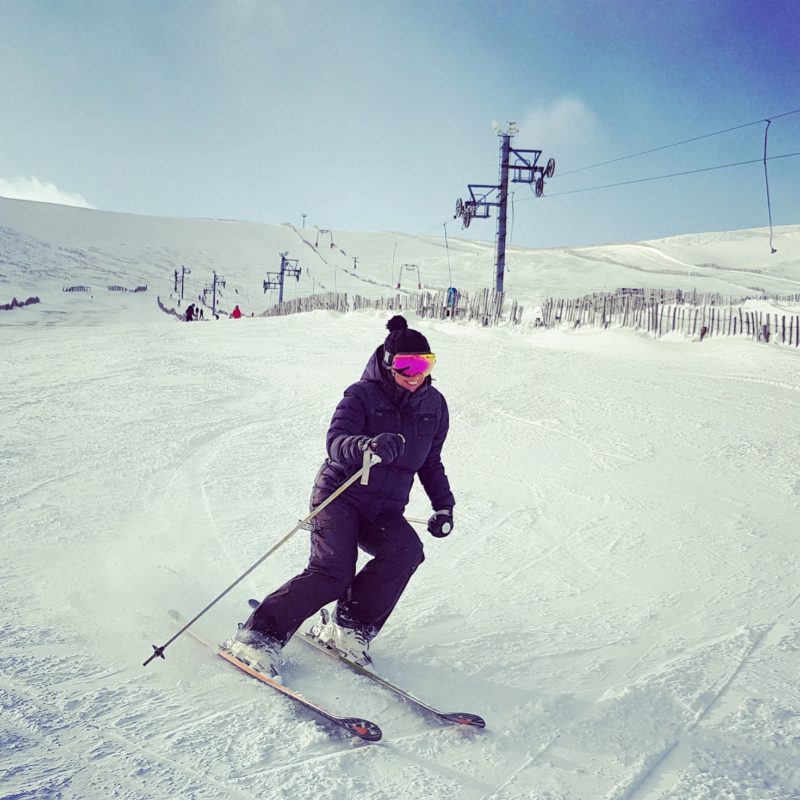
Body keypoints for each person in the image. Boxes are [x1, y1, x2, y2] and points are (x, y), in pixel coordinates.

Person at [226, 315, 455, 678]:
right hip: (340, 496)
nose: (415, 374)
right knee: (332, 572)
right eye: (405, 365)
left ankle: (350, 626)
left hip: (385, 508)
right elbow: (335, 443)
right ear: (386, 363)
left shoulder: (435, 406)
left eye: (424, 364)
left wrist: (444, 505)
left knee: (406, 551)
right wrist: (366, 446)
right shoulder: (361, 395)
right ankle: (257, 635)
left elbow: (430, 461)